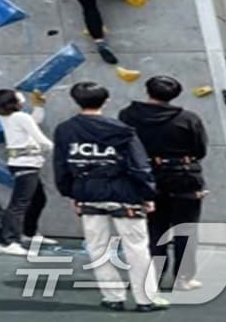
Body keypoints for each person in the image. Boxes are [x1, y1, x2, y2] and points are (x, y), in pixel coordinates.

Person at [53, 82, 168, 313]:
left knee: (97, 248)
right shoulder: (123, 130)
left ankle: (112, 296)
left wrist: (71, 193)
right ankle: (146, 299)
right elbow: (139, 166)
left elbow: (61, 166)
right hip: (125, 195)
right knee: (136, 247)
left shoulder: (65, 130)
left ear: (76, 101)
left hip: (88, 194)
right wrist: (147, 194)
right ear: (105, 101)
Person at [119, 75, 208, 291]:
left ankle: (154, 276)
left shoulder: (128, 116)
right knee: (185, 228)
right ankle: (183, 278)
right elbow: (200, 150)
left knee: (153, 228)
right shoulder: (188, 118)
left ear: (147, 90)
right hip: (184, 175)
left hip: (147, 175)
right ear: (175, 94)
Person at [0, 88, 55, 256]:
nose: (19, 94)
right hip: (26, 164)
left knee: (38, 199)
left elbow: (32, 122)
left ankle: (29, 233)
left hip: (22, 163)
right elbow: (41, 139)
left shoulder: (7, 117)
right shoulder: (19, 117)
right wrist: (59, 149)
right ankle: (7, 241)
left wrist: (38, 105)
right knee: (19, 204)